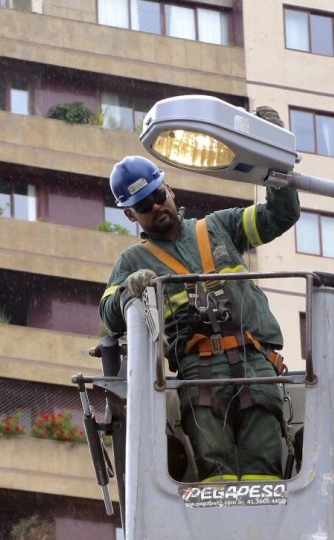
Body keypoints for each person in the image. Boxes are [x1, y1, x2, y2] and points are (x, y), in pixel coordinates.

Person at [99, 107, 300, 482]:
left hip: (255, 359)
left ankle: (262, 532)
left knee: (264, 466)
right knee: (215, 470)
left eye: (158, 195)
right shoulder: (133, 259)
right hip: (199, 372)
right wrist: (129, 290)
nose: (156, 207)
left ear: (169, 188)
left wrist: (275, 155)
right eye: (143, 205)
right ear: (131, 216)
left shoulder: (219, 227)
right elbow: (108, 315)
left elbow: (279, 216)